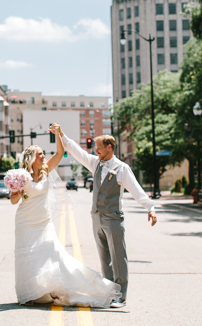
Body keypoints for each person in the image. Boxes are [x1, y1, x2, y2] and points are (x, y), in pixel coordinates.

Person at [10, 126, 121, 308]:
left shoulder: (45, 170)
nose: (43, 156)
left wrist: (59, 134)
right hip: (25, 221)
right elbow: (13, 200)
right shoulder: (22, 176)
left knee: (51, 253)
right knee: (28, 255)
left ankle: (53, 287)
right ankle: (29, 293)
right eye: (39, 154)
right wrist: (18, 192)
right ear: (31, 158)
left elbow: (60, 153)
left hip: (43, 221)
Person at [54, 123, 156, 308]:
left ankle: (121, 297)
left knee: (118, 258)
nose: (96, 151)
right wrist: (61, 134)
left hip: (113, 218)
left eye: (99, 148)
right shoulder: (96, 164)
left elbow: (135, 189)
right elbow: (78, 152)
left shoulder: (122, 168)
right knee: (105, 260)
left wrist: (150, 207)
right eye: (96, 149)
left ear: (109, 147)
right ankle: (111, 293)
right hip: (96, 218)